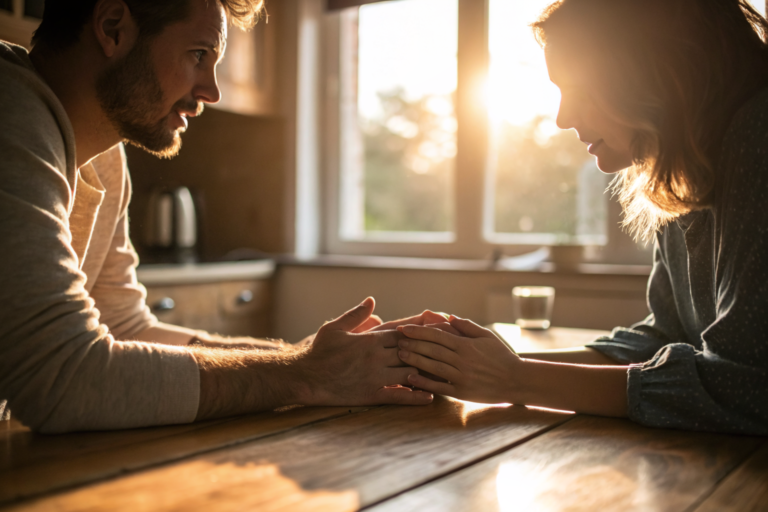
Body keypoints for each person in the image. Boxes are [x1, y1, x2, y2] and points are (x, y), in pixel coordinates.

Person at [0, 0, 439, 434]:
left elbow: (125, 326)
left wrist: (306, 358)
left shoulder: (104, 158)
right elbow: (62, 378)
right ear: (113, 27)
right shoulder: (10, 111)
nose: (212, 91)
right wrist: (303, 373)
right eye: (199, 55)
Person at [396, 0, 768, 435]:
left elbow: (748, 387)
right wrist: (481, 365)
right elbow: (666, 339)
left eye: (578, 90)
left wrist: (515, 379)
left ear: (644, 71)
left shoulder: (757, 134)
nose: (562, 117)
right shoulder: (684, 171)